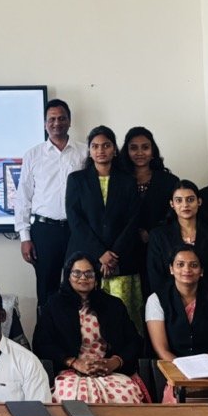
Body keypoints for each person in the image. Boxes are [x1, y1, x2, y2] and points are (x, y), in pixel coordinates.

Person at [36, 253, 148, 404]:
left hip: (110, 372)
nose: (83, 278)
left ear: (96, 277)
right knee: (73, 400)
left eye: (89, 273)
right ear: (68, 276)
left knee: (126, 398)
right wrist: (74, 362)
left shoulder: (113, 305)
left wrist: (115, 362)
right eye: (77, 273)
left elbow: (134, 342)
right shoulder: (54, 305)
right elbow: (42, 344)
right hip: (71, 372)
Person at [14, 98, 87, 313]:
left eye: (62, 118)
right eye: (52, 119)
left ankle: (79, 331)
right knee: (47, 291)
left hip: (77, 230)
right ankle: (46, 334)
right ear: (45, 123)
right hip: (45, 231)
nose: (57, 123)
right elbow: (23, 198)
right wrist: (25, 237)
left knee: (80, 286)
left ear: (70, 121)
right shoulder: (33, 155)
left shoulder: (84, 152)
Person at [66, 126, 143, 327]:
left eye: (106, 145)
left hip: (121, 259)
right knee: (87, 319)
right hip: (86, 258)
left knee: (121, 319)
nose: (101, 150)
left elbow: (133, 220)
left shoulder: (128, 181)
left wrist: (113, 255)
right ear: (89, 151)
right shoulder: (76, 180)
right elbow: (75, 221)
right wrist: (100, 253)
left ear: (114, 150)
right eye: (95, 146)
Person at [145, 246, 208, 401]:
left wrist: (202, 368)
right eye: (180, 264)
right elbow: (161, 349)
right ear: (171, 269)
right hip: (174, 371)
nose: (187, 270)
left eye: (194, 265)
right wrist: (185, 369)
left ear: (201, 271)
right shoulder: (156, 300)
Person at [145, 180, 208, 300]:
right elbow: (156, 275)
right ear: (172, 204)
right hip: (168, 301)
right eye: (179, 200)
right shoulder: (159, 236)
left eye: (190, 199)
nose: (185, 205)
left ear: (199, 202)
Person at [118, 127, 179, 247]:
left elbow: (174, 215)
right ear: (127, 151)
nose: (140, 153)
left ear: (152, 151)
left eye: (145, 147)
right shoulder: (118, 181)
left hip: (160, 245)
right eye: (134, 148)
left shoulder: (169, 181)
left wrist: (152, 232)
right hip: (124, 246)